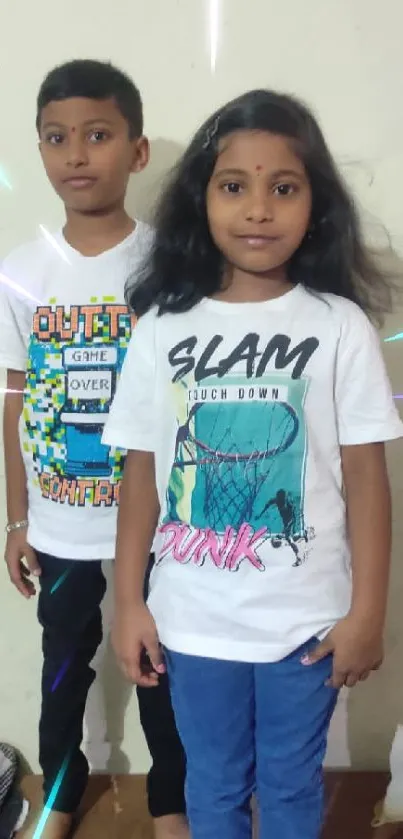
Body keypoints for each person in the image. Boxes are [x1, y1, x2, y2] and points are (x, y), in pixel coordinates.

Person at [103, 87, 403, 839]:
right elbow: (140, 475)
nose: (258, 209)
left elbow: (367, 477)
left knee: (291, 783)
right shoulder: (161, 330)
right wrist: (128, 602)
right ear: (201, 198)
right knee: (212, 781)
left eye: (283, 187)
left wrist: (367, 610)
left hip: (305, 621)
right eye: (234, 186)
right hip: (192, 619)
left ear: (315, 204)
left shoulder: (339, 326)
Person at [0, 59, 187, 839]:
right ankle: (58, 786)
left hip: (156, 517)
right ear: (39, 150)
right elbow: (10, 403)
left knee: (162, 663)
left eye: (98, 135)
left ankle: (171, 798)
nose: (76, 155)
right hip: (61, 519)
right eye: (56, 138)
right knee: (63, 664)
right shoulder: (20, 273)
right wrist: (16, 521)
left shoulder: (167, 268)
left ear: (137, 151)